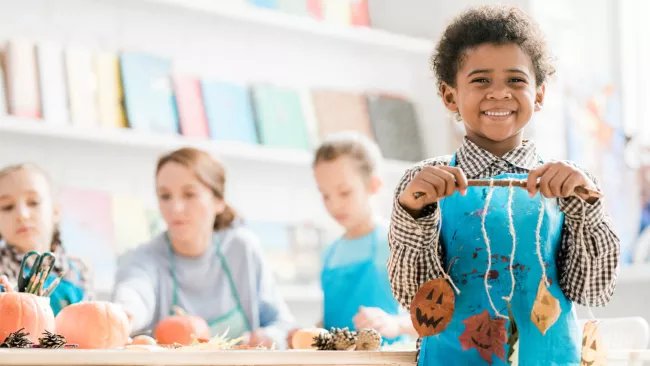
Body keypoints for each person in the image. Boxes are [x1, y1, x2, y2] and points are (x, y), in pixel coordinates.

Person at [388, 5, 620, 366]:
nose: (499, 94)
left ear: (539, 94)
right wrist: (414, 214)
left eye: (516, 80)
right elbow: (412, 297)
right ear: (450, 96)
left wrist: (585, 212)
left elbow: (594, 290)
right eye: (481, 80)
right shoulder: (423, 185)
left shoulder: (570, 184)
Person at [112, 147, 294, 348]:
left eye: (189, 194)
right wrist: (123, 314)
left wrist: (267, 337)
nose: (175, 208)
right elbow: (134, 293)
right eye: (165, 196)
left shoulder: (242, 249)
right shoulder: (144, 258)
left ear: (218, 201)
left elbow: (283, 325)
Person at [288, 132, 417, 348]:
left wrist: (396, 323)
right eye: (325, 195)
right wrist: (307, 334)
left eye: (345, 192)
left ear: (373, 186)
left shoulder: (395, 242)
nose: (334, 205)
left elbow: (439, 317)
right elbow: (334, 322)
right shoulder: (330, 252)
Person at [0, 164, 92, 314]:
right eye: (7, 207)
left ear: (55, 211)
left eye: (33, 202)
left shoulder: (79, 268)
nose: (22, 215)